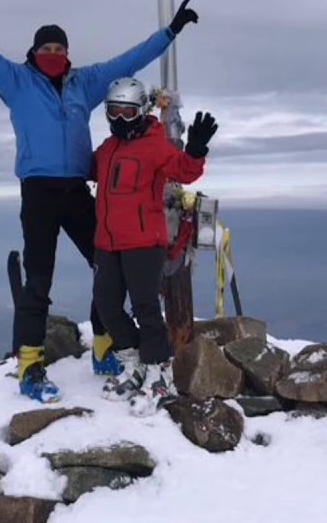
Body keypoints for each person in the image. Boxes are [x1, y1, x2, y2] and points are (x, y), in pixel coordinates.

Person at [0, 0, 200, 403]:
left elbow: (129, 60)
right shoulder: (15, 81)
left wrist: (169, 32)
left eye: (60, 49)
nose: (54, 55)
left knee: (105, 266)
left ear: (68, 53)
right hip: (38, 192)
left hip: (78, 189)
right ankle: (31, 365)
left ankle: (103, 345)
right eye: (47, 49)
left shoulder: (84, 83)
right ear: (34, 52)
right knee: (39, 279)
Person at [89, 77, 217, 416]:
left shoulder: (154, 144)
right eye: (113, 111)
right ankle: (133, 366)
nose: (120, 119)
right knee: (106, 305)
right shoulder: (107, 149)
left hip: (144, 242)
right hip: (107, 241)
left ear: (142, 111)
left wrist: (196, 149)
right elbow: (86, 169)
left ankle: (159, 376)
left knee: (145, 307)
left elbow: (183, 171)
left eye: (128, 112)